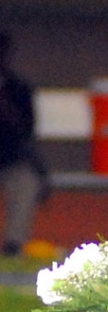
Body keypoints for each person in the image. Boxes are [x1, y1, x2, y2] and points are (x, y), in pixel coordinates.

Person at [0, 33, 45, 256]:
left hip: (9, 159)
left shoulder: (18, 89)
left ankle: (13, 245)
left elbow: (26, 129)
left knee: (26, 182)